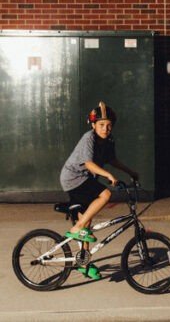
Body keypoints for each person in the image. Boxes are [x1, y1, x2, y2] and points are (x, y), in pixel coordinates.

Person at [59, 101, 139, 280]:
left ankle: (83, 263)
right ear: (94, 125)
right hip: (74, 178)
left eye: (109, 125)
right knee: (105, 194)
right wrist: (109, 176)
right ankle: (77, 227)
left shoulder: (108, 140)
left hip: (85, 179)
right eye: (101, 125)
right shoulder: (89, 138)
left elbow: (113, 160)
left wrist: (130, 172)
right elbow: (89, 164)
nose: (105, 128)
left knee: (86, 225)